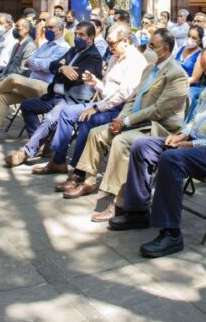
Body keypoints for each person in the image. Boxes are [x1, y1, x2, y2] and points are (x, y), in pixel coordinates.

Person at [108, 45, 206, 258]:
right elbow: (196, 120)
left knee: (172, 159)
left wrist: (192, 144)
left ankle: (171, 233)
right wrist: (182, 135)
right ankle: (138, 211)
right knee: (142, 145)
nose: (205, 77)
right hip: (197, 144)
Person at [71, 30, 189, 219]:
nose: (147, 49)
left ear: (165, 49)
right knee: (97, 133)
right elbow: (134, 98)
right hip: (137, 121)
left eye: (152, 46)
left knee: (121, 142)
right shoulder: (150, 68)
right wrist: (121, 119)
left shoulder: (177, 75)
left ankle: (119, 201)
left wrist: (126, 121)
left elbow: (159, 110)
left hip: (159, 127)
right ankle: (88, 181)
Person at [42, 24, 146, 194]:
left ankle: (78, 172)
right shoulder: (115, 57)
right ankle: (59, 160)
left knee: (87, 119)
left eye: (112, 43)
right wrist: (95, 83)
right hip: (106, 103)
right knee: (66, 112)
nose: (110, 47)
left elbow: (124, 94)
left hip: (122, 109)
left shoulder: (136, 60)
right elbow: (107, 90)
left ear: (126, 41)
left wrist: (97, 108)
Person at [3, 22, 103, 167]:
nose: (77, 37)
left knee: (50, 118)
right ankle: (41, 145)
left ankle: (25, 152)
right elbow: (53, 65)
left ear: (91, 38)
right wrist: (62, 68)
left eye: (81, 35)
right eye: (76, 34)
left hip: (70, 99)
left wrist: (62, 69)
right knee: (27, 106)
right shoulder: (73, 50)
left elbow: (76, 76)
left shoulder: (93, 57)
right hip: (53, 95)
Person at [0, 17, 70, 148]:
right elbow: (30, 63)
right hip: (31, 84)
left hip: (46, 87)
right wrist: (37, 63)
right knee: (3, 97)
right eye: (45, 28)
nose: (46, 30)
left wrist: (36, 63)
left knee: (13, 78)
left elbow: (49, 65)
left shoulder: (63, 47)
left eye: (50, 28)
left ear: (60, 29)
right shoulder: (45, 45)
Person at [176, 26, 205, 122]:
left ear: (200, 41)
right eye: (189, 36)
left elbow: (194, 78)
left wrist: (177, 84)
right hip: (174, 81)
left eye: (194, 38)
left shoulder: (200, 54)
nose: (190, 39)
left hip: (188, 86)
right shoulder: (181, 49)